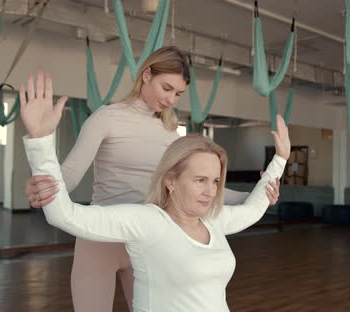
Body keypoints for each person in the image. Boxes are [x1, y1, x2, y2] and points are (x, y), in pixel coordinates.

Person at [23, 47, 280, 312]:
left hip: (148, 240)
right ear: (146, 75)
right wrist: (42, 184)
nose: (171, 99)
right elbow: (71, 173)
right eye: (166, 88)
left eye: (178, 94)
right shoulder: (106, 118)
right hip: (100, 238)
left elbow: (200, 186)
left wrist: (256, 195)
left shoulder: (170, 134)